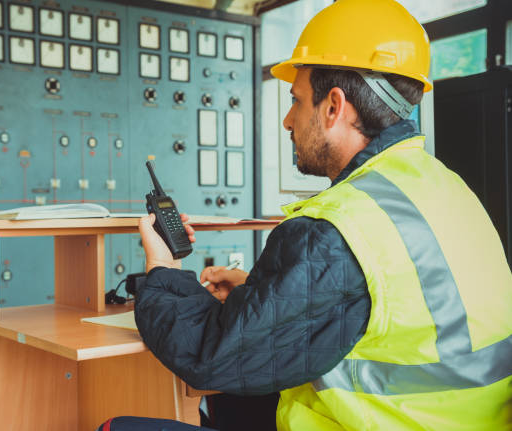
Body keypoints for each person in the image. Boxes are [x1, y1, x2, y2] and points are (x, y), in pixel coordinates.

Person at [98, 0, 512, 429]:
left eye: (296, 100)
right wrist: (268, 296)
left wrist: (163, 267)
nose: (286, 120)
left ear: (334, 106)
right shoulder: (445, 186)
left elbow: (210, 355)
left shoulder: (336, 229)